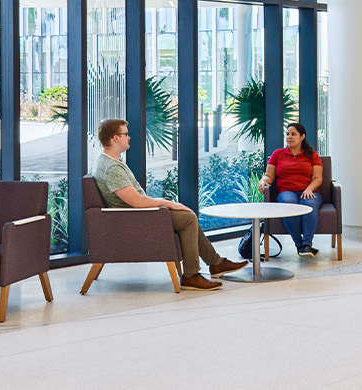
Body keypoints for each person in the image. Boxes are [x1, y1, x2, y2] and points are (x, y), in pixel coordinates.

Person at [91, 118, 246, 290]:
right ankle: (191, 275)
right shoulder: (112, 168)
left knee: (188, 216)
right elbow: (136, 202)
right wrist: (168, 204)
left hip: (139, 215)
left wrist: (164, 203)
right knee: (188, 219)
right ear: (115, 138)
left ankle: (215, 264)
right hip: (136, 219)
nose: (129, 137)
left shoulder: (110, 161)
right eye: (125, 134)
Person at [258, 121, 325, 256]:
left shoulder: (312, 155)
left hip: (308, 190)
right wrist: (263, 181)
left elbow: (318, 178)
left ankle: (307, 244)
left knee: (309, 203)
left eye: (293, 134)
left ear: (302, 137)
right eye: (287, 134)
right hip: (286, 191)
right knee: (289, 204)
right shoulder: (278, 154)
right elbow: (268, 176)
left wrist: (309, 189)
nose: (289, 136)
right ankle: (300, 245)